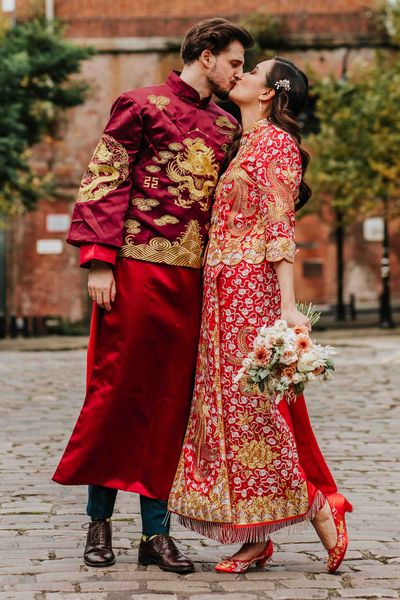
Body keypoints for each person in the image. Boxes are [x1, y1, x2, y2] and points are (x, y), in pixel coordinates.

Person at [52, 18, 254, 573]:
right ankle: (98, 524)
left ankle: (155, 535)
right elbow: (105, 179)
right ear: (207, 55)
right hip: (136, 273)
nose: (238, 73)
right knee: (116, 396)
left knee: (173, 405)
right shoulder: (139, 104)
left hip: (193, 283)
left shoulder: (225, 123)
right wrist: (99, 261)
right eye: (234, 61)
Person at [168, 57, 353, 574]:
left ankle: (319, 505)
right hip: (220, 292)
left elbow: (279, 229)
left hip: (251, 291)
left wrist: (289, 307)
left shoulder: (276, 145)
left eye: (252, 73)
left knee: (257, 410)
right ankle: (254, 537)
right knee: (223, 412)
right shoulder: (242, 143)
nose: (241, 75)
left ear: (270, 93)